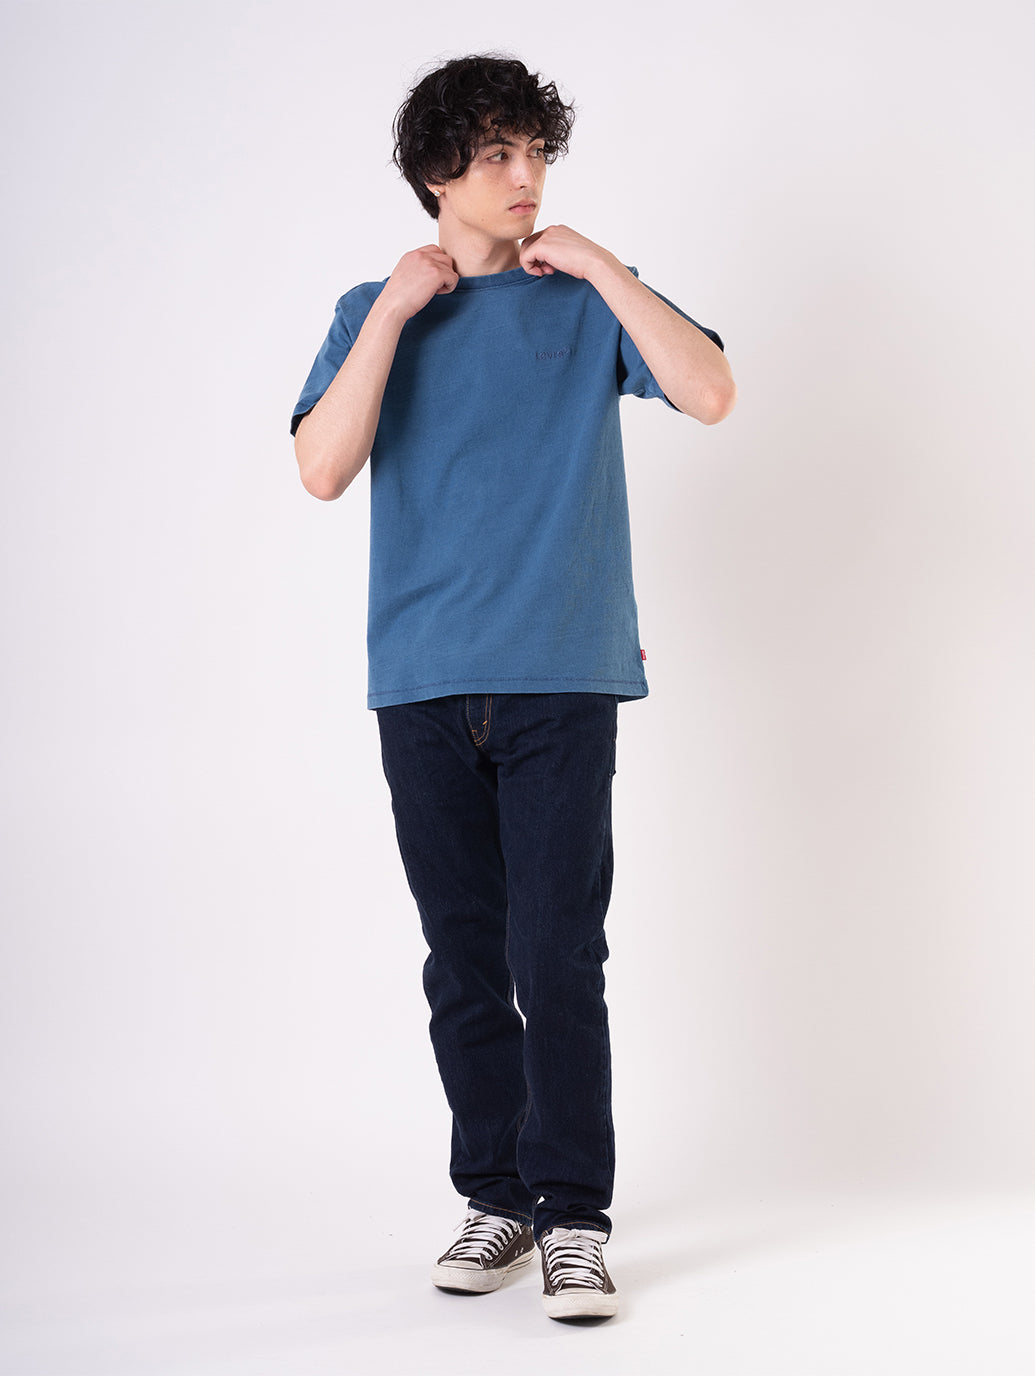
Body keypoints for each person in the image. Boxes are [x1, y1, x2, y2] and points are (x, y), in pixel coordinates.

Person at [291, 53, 735, 1322]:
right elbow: (322, 466)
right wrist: (393, 309)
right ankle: (496, 1196)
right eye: (498, 152)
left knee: (558, 950)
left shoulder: (587, 301)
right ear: (439, 172)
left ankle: (574, 1216)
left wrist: (603, 267)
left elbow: (710, 390)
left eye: (537, 150)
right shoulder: (372, 309)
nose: (526, 173)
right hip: (424, 679)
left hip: (561, 675)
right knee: (465, 956)